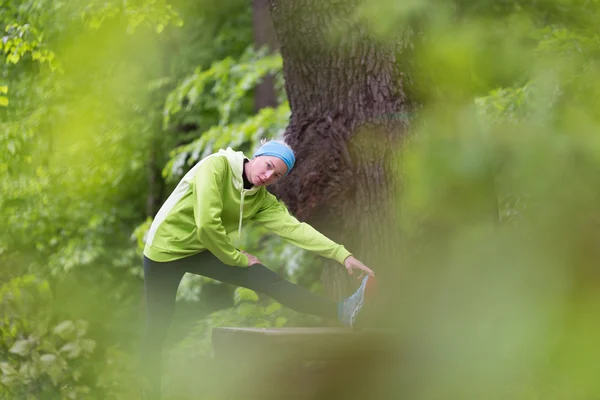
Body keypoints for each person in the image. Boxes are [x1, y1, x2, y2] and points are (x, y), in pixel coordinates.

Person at [140, 139, 375, 399]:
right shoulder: (215, 167)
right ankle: (149, 391)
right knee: (159, 326)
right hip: (165, 249)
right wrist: (235, 257)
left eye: (276, 175)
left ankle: (343, 311)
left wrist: (343, 256)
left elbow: (295, 230)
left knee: (266, 278)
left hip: (203, 249)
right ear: (258, 155)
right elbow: (206, 224)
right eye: (268, 166)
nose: (267, 176)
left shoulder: (261, 201)